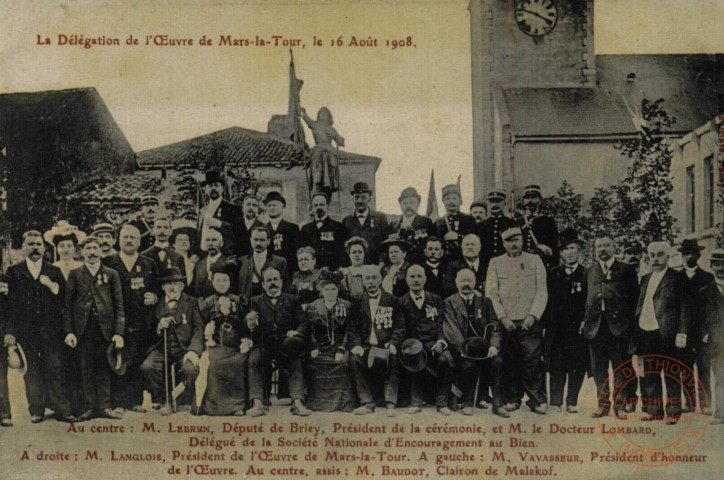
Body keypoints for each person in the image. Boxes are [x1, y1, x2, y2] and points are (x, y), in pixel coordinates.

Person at [5, 231, 75, 423]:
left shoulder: (53, 271)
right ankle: (36, 410)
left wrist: (52, 286)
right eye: (31, 244)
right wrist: (11, 332)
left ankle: (61, 409)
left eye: (38, 244)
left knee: (54, 367)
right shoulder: (14, 271)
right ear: (23, 247)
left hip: (51, 331)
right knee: (32, 371)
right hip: (26, 331)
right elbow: (9, 305)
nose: (35, 247)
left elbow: (64, 300)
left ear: (45, 248)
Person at [486, 227, 548, 414]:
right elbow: (492, 293)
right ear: (504, 243)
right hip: (507, 322)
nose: (513, 244)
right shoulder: (496, 262)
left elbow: (541, 291)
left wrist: (533, 315)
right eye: (509, 241)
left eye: (516, 240)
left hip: (529, 320)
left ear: (522, 240)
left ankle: (537, 399)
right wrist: (503, 318)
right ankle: (512, 398)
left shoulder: (535, 260)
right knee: (510, 361)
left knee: (532, 360)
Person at [64, 235, 126, 421]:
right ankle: (89, 407)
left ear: (101, 251)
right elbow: (67, 306)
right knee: (85, 368)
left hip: (104, 330)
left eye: (95, 248)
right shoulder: (75, 274)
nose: (92, 252)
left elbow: (119, 305)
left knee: (104, 368)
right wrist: (69, 331)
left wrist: (118, 332)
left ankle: (105, 406)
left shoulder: (111, 273)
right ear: (82, 252)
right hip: (83, 330)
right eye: (88, 248)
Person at [630, 242, 690, 425]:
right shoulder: (646, 278)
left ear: (668, 257)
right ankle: (654, 411)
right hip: (646, 330)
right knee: (650, 372)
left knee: (671, 373)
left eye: (660, 255)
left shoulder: (678, 278)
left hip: (668, 333)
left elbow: (685, 308)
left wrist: (682, 332)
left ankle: (673, 411)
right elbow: (641, 305)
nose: (655, 259)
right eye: (652, 255)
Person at [103, 224, 160, 412]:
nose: (129, 241)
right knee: (118, 360)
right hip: (116, 321)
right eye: (125, 237)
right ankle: (118, 402)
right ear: (118, 240)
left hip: (141, 321)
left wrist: (154, 296)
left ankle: (135, 401)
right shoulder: (108, 262)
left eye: (133, 237)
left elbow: (157, 289)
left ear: (139, 241)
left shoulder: (149, 263)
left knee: (136, 360)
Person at [582, 233, 639, 419]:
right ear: (595, 249)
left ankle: (620, 405)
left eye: (607, 245)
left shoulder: (627, 269)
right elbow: (585, 299)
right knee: (599, 370)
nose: (603, 249)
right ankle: (603, 405)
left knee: (620, 368)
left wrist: (629, 327)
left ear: (615, 248)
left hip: (618, 328)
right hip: (595, 328)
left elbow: (634, 300)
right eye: (599, 246)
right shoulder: (590, 270)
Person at [243, 266, 311, 417]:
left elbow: (303, 322)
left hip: (286, 345)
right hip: (264, 346)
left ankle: (298, 403)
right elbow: (248, 328)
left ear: (281, 281)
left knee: (296, 360)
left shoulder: (293, 300)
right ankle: (258, 404)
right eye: (268, 280)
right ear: (263, 284)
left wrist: (296, 332)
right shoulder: (255, 301)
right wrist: (250, 324)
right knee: (253, 360)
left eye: (275, 279)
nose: (272, 283)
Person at [443, 269, 507, 417]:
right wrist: (463, 349)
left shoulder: (485, 302)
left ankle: (498, 405)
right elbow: (451, 329)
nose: (466, 284)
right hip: (462, 349)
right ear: (456, 283)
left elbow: (495, 325)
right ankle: (467, 402)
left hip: (483, 347)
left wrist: (494, 345)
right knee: (468, 364)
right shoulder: (449, 302)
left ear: (475, 283)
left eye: (469, 281)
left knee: (497, 361)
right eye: (462, 281)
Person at [140, 266, 203, 415]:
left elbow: (199, 328)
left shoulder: (192, 302)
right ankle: (165, 400)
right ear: (162, 287)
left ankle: (180, 399)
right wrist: (159, 327)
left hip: (185, 349)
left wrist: (193, 351)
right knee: (148, 367)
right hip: (162, 348)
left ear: (182, 286)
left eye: (176, 283)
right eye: (168, 283)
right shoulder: (156, 304)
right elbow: (147, 331)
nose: (172, 287)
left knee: (191, 370)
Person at [348, 265, 405, 417]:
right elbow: (353, 327)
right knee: (355, 360)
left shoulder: (392, 300)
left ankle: (390, 404)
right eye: (367, 278)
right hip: (366, 346)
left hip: (385, 345)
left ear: (380, 280)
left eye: (374, 278)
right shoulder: (357, 301)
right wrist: (356, 345)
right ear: (363, 282)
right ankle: (367, 403)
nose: (371, 281)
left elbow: (400, 325)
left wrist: (393, 343)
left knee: (393, 359)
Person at [544, 228, 589, 413]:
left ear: (579, 251)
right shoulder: (553, 274)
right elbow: (546, 301)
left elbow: (590, 301)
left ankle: (572, 401)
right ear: (561, 253)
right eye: (565, 249)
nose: (569, 252)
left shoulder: (587, 274)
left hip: (577, 329)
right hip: (556, 328)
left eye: (573, 248)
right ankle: (555, 402)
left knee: (576, 366)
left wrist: (586, 321)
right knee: (556, 366)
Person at [399, 265, 453, 415]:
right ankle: (416, 402)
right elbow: (400, 328)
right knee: (414, 357)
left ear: (425, 279)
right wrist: (407, 345)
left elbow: (443, 323)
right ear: (406, 280)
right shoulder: (401, 301)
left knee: (444, 360)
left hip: (433, 342)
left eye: (419, 276)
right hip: (412, 343)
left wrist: (441, 341)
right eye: (412, 276)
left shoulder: (435, 299)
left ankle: (442, 403)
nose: (416, 280)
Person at [198, 261, 248, 416]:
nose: (221, 284)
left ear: (230, 282)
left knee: (239, 362)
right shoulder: (206, 302)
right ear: (212, 282)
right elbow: (201, 326)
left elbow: (246, 323)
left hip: (235, 345)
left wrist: (245, 340)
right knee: (214, 364)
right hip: (215, 345)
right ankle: (214, 407)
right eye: (217, 280)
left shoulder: (239, 300)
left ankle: (237, 406)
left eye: (224, 280)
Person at [305, 270, 356, 412]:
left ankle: (342, 403)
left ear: (338, 290)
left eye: (333, 289)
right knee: (314, 362)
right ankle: (319, 403)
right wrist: (314, 346)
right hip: (321, 347)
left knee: (344, 362)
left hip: (340, 346)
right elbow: (310, 330)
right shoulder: (313, 307)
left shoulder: (346, 305)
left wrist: (342, 348)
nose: (330, 292)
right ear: (321, 290)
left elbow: (349, 330)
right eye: (327, 289)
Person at [678, 239, 714, 414]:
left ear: (698, 256)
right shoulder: (676, 277)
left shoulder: (707, 277)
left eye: (692, 253)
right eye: (686, 253)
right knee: (685, 367)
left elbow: (711, 306)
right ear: (682, 255)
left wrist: (707, 330)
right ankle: (689, 403)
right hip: (682, 331)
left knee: (703, 367)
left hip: (701, 331)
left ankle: (705, 403)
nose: (689, 256)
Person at [700, 249, 724, 425]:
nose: (721, 267)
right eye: (717, 264)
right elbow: (698, 318)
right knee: (720, 378)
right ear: (711, 266)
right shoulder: (705, 292)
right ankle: (721, 413)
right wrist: (704, 334)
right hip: (717, 343)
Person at [197, 170, 243, 257]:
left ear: (222, 188)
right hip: (204, 256)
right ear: (205, 189)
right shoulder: (202, 211)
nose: (213, 188)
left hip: (224, 256)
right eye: (210, 186)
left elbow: (239, 233)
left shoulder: (233, 209)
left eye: (216, 186)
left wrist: (221, 224)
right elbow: (199, 235)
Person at [302, 106, 345, 198]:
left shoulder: (331, 129)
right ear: (318, 115)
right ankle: (315, 199)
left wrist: (335, 136)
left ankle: (326, 199)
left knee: (329, 180)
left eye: (325, 113)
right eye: (320, 113)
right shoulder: (315, 125)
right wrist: (303, 112)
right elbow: (306, 119)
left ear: (329, 116)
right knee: (317, 179)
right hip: (317, 152)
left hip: (330, 152)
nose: (322, 115)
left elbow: (341, 142)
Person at [342, 182, 390, 265]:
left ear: (369, 199)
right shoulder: (347, 220)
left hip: (375, 266)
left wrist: (382, 263)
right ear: (352, 199)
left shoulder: (380, 218)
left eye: (363, 197)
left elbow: (385, 243)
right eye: (357, 197)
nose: (360, 201)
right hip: (354, 268)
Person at [237, 226, 288, 303]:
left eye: (262, 240)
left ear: (269, 241)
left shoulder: (280, 261)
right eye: (255, 240)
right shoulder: (241, 261)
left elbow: (284, 288)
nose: (258, 243)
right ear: (251, 240)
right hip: (246, 305)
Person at [300, 193, 346, 271]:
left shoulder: (338, 227)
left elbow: (342, 252)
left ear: (327, 206)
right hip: (312, 271)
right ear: (312, 207)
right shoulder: (305, 229)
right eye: (316, 205)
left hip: (332, 270)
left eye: (322, 204)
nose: (318, 207)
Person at [516, 185, 559, 267]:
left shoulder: (548, 221)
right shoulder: (518, 222)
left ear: (540, 199)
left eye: (533, 198)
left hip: (541, 263)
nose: (530, 201)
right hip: (522, 263)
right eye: (527, 198)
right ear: (523, 201)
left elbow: (554, 247)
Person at [391, 187, 436, 264]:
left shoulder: (426, 222)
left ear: (418, 204)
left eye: (412, 202)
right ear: (401, 205)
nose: (408, 206)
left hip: (420, 264)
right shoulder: (393, 224)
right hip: (399, 265)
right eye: (405, 203)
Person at [477, 191, 516, 272]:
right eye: (491, 202)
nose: (495, 205)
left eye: (498, 201)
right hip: (486, 266)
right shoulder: (481, 225)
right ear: (487, 204)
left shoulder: (511, 223)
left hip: (507, 265)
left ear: (504, 204)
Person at [435, 184, 475, 261]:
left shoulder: (468, 219)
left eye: (454, 198)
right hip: (444, 261)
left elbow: (475, 240)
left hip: (463, 259)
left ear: (460, 201)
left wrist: (459, 237)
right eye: (447, 199)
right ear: (443, 201)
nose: (451, 202)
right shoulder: (439, 221)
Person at [264, 191, 299, 271]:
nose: (272, 208)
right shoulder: (263, 229)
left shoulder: (293, 228)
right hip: (269, 270)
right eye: (269, 206)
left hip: (289, 269)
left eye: (274, 205)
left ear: (282, 207)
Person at [442, 233, 486, 297]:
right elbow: (447, 287)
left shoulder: (487, 264)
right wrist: (470, 292)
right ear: (462, 247)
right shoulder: (454, 266)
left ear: (479, 247)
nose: (470, 247)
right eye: (467, 245)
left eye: (473, 244)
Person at [193, 228, 229, 299]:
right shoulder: (199, 264)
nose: (210, 243)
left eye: (214, 240)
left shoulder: (227, 263)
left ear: (221, 243)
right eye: (208, 240)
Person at [289, 247, 321, 311]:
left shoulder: (319, 275)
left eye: (306, 259)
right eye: (300, 260)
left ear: (314, 261)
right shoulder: (295, 276)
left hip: (315, 311)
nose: (303, 262)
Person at [171, 218, 199, 289]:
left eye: (186, 240)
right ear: (174, 244)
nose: (184, 242)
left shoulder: (194, 261)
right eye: (180, 240)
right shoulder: (170, 260)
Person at [340, 236, 368, 302]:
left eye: (360, 252)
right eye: (354, 252)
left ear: (364, 254)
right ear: (349, 254)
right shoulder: (343, 272)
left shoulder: (370, 270)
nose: (357, 255)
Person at [236, 194, 265, 259]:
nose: (251, 207)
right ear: (243, 207)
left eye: (254, 205)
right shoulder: (234, 223)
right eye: (248, 204)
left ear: (258, 209)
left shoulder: (262, 226)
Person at [0, 267, 10, 426]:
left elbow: (9, 308)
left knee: (1, 374)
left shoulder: (3, 279)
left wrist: (9, 332)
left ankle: (4, 413)